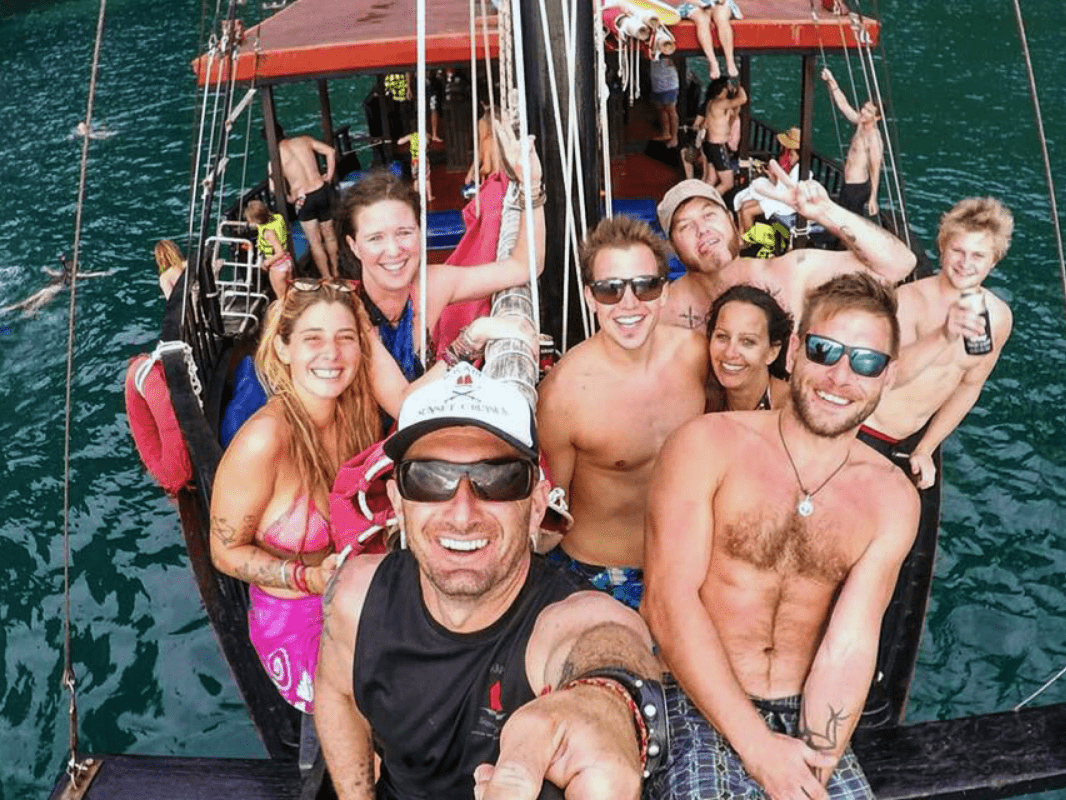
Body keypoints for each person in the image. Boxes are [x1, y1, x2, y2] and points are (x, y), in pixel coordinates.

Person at [314, 363, 666, 800]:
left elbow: (609, 649)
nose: (463, 514)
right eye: (429, 478)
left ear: (537, 505)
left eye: (498, 479)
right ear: (399, 504)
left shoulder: (565, 618)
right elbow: (337, 695)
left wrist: (604, 705)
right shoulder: (357, 596)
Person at [643, 272, 920, 800]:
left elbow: (849, 646)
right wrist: (760, 749)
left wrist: (814, 769)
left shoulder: (891, 498)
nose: (840, 377)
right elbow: (667, 601)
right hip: (694, 691)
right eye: (824, 351)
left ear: (888, 374)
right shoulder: (706, 446)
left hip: (808, 710)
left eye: (865, 361)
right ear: (793, 351)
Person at [209, 278, 383, 714]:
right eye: (313, 339)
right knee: (386, 695)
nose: (332, 354)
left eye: (346, 339)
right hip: (294, 623)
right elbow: (224, 553)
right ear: (283, 349)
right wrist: (307, 579)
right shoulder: (263, 441)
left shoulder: (358, 413)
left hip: (357, 594)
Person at [537, 217, 707, 609]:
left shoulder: (694, 355)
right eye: (610, 290)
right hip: (602, 574)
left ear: (664, 293)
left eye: (645, 286)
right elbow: (551, 512)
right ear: (589, 297)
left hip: (688, 563)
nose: (629, 304)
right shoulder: (564, 396)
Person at [337, 130, 544, 386]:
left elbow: (523, 266)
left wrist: (531, 187)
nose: (393, 250)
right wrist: (472, 337)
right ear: (354, 246)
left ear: (421, 233)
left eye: (404, 233)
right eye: (375, 238)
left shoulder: (430, 286)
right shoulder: (346, 313)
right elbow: (401, 403)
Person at [860, 196, 1014, 489]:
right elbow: (885, 376)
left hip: (913, 438)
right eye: (958, 250)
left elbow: (970, 386)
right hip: (866, 428)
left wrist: (926, 448)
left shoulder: (999, 317)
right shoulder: (909, 300)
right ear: (943, 248)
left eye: (979, 255)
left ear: (994, 261)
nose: (966, 263)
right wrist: (943, 335)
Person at [657, 168, 916, 331]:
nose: (702, 230)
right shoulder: (661, 308)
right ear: (672, 247)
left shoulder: (787, 274)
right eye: (685, 227)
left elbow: (898, 266)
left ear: (733, 221)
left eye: (709, 215)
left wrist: (825, 212)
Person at [704, 284, 793, 413]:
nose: (729, 353)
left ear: (772, 352)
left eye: (747, 342)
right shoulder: (701, 397)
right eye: (722, 337)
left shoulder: (790, 409)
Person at [273, 124, 341, 279]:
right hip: (321, 190)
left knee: (315, 241)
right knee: (329, 235)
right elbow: (330, 151)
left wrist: (289, 197)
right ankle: (336, 270)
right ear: (284, 132)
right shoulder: (304, 140)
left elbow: (274, 187)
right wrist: (328, 176)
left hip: (303, 198)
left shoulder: (276, 158)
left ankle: (327, 276)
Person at [820, 68, 884, 217]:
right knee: (841, 222)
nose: (863, 112)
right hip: (847, 184)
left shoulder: (874, 138)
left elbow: (875, 169)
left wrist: (873, 198)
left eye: (869, 112)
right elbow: (844, 105)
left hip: (857, 188)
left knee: (849, 228)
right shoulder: (860, 124)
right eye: (864, 108)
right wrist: (832, 81)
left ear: (877, 118)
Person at [733, 127, 801, 234]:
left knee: (747, 211)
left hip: (786, 202)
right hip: (777, 195)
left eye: (791, 155)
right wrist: (771, 175)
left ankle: (749, 241)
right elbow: (778, 184)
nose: (789, 157)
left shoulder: (800, 171)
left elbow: (790, 188)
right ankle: (742, 234)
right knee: (744, 205)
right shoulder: (788, 164)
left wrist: (777, 173)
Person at [698, 78, 747, 195]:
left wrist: (734, 92)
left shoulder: (712, 102)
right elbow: (743, 99)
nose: (730, 89)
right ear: (723, 89)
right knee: (727, 183)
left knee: (711, 180)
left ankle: (698, 196)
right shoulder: (720, 103)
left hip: (710, 145)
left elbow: (733, 114)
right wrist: (740, 86)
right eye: (728, 86)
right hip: (717, 147)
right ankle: (708, 199)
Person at [677, 0, 741, 80]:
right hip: (695, 4)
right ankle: (712, 62)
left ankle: (730, 61)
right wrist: (700, 4)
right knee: (702, 20)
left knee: (721, 18)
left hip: (719, 3)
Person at [244, 199, 292, 298]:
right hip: (287, 262)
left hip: (277, 266)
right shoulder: (277, 218)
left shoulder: (268, 233)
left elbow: (280, 252)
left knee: (282, 298)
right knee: (291, 293)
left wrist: (266, 263)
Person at [649, 57, 680, 149]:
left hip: (669, 83)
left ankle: (675, 137)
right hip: (656, 83)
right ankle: (665, 133)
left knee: (671, 110)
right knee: (661, 109)